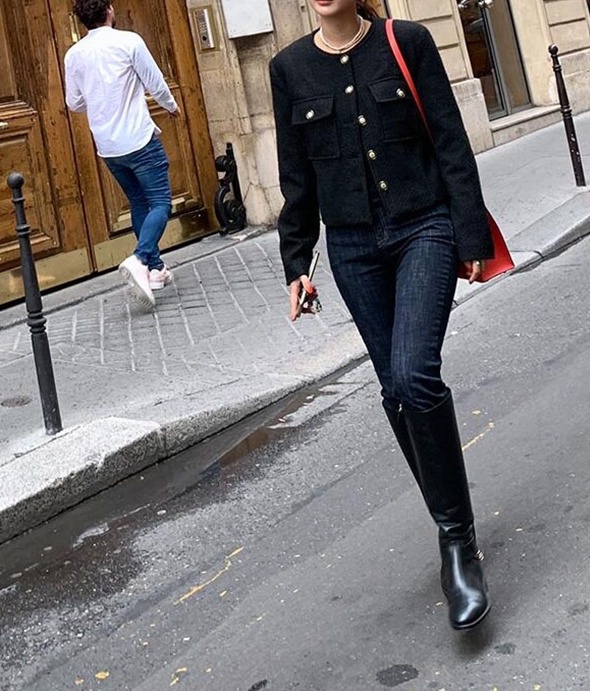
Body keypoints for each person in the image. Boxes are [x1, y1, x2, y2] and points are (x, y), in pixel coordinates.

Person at [270, 0, 493, 630]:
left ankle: (457, 544)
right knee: (395, 390)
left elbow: (450, 142)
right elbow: (296, 179)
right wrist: (296, 264)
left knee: (415, 374)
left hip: (425, 228)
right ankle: (453, 524)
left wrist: (470, 234)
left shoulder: (408, 41)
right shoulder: (289, 69)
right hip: (352, 248)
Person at [65, 0, 180, 309]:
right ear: (109, 10)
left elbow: (74, 102)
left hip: (108, 146)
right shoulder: (128, 41)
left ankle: (156, 270)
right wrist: (171, 106)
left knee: (139, 202)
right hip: (138, 138)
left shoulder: (74, 55)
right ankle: (140, 259)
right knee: (161, 202)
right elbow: (155, 81)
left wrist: (99, 99)